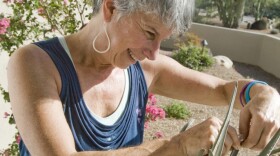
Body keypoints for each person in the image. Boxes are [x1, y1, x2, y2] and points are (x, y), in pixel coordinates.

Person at [7, 0, 280, 155]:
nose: (153, 53)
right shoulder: (36, 63)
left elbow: (224, 90)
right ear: (111, 8)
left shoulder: (146, 70)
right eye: (150, 33)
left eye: (163, 39)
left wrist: (264, 94)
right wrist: (177, 145)